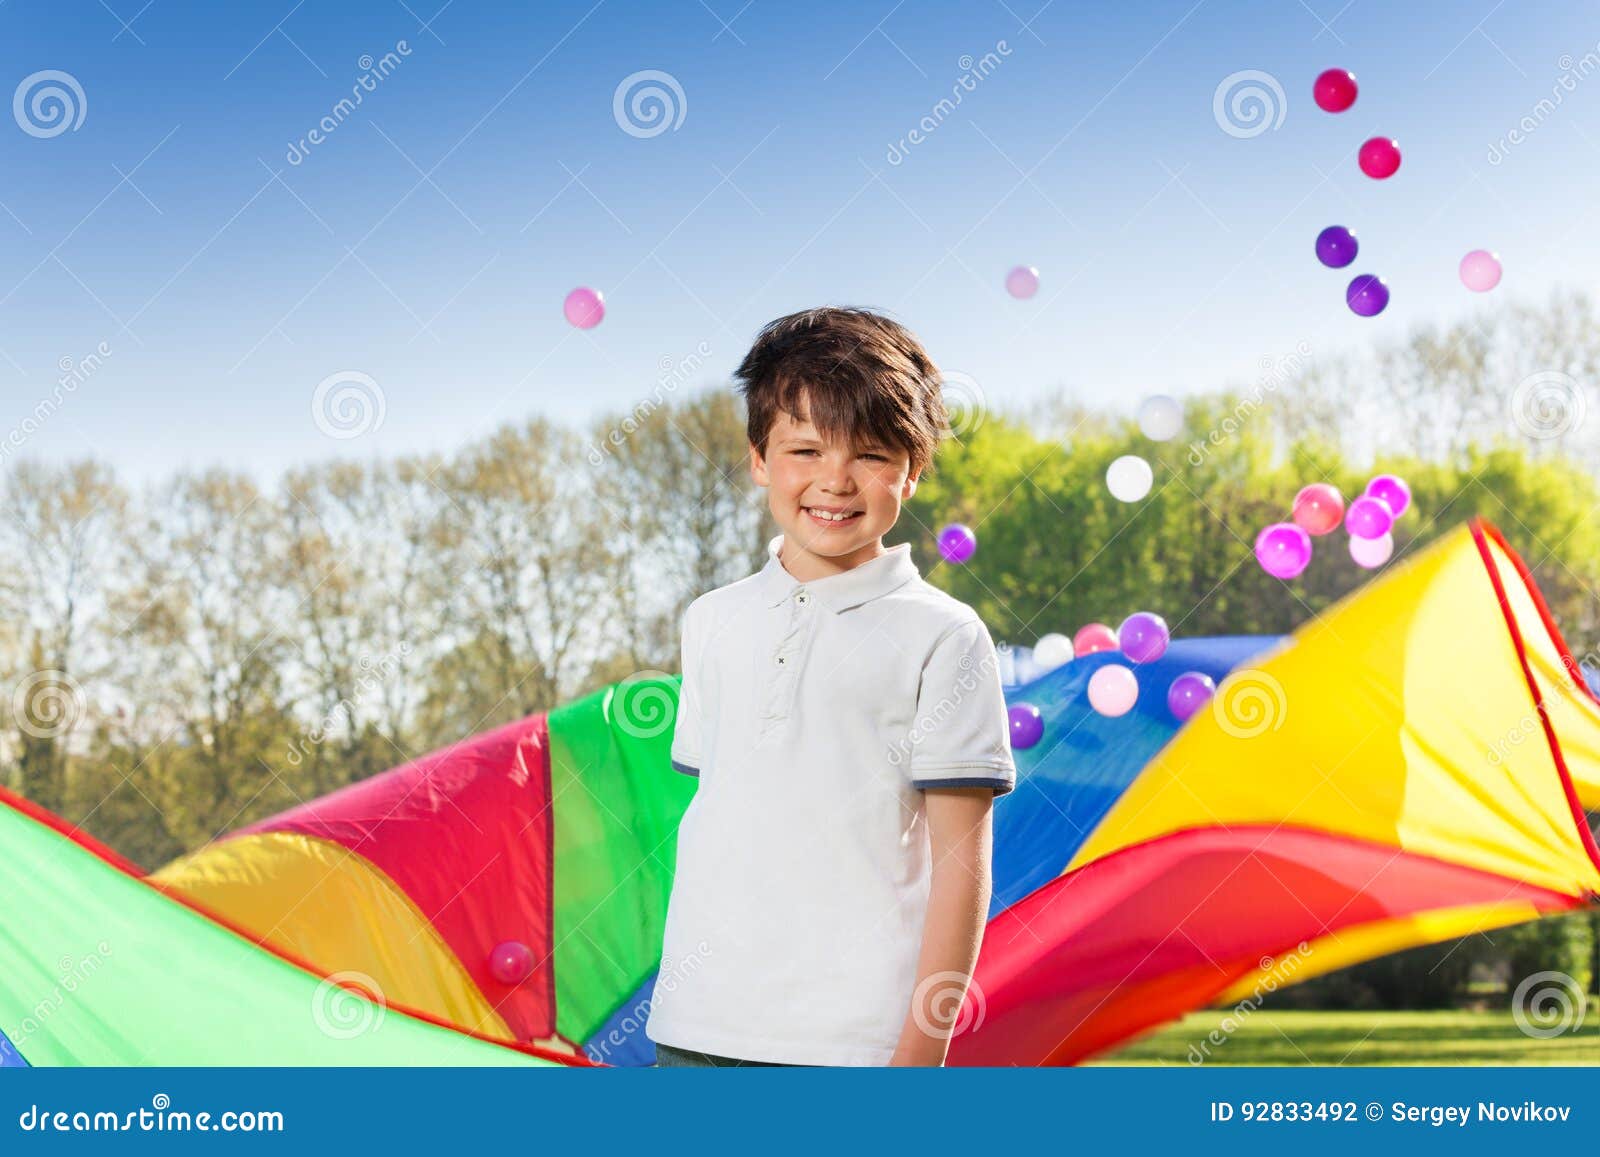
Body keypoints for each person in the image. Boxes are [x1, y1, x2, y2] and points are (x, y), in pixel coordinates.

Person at [646, 306, 1016, 1068]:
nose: (834, 480)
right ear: (758, 458)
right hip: (693, 1028)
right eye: (805, 448)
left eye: (873, 454)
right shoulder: (710, 620)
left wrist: (920, 1052)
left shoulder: (943, 635)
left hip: (857, 1044)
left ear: (913, 469)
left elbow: (962, 867)